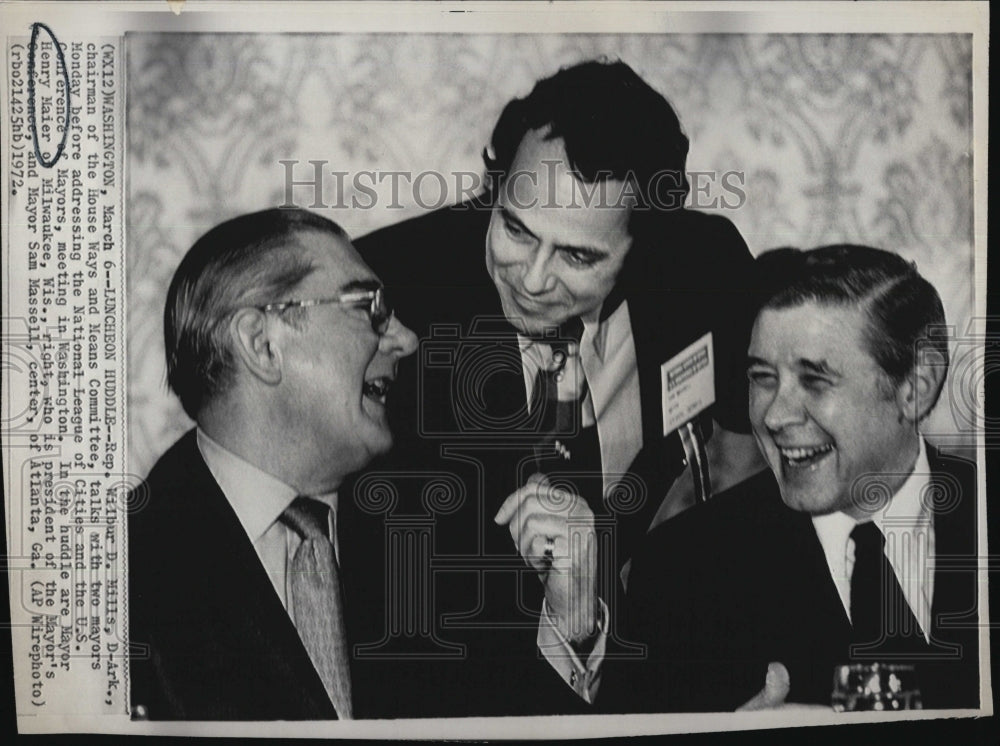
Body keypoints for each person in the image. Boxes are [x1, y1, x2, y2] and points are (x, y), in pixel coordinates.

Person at [349, 59, 762, 715]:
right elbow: (396, 635)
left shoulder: (705, 268)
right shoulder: (387, 300)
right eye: (515, 228)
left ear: (645, 248)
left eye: (578, 256)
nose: (532, 279)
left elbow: (746, 492)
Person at [612, 245, 979, 712]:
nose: (775, 415)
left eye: (814, 379)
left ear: (914, 388)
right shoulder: (678, 574)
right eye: (763, 377)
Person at [128, 208, 418, 720]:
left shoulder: (424, 524)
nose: (404, 339)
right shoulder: (118, 578)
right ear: (262, 344)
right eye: (369, 307)